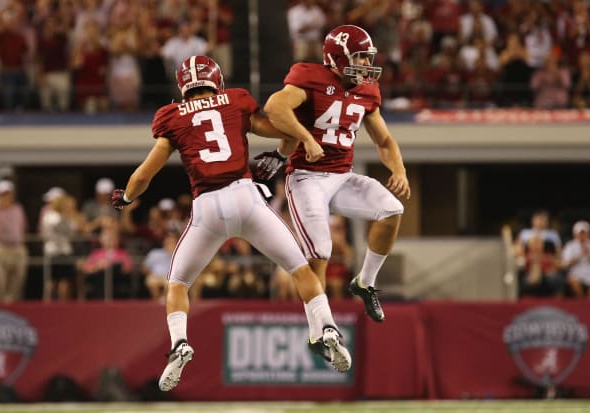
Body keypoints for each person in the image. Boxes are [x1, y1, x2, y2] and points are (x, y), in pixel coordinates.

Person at [110, 55, 351, 392]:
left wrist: (125, 197)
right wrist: (294, 140)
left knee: (178, 283)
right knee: (300, 269)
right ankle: (326, 327)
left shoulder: (173, 116)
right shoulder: (235, 100)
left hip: (207, 208)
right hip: (247, 198)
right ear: (216, 80)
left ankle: (180, 343)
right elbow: (282, 130)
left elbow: (145, 174)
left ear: (184, 86)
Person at [254, 25, 410, 327]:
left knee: (392, 210)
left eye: (368, 58)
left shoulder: (367, 90)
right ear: (338, 57)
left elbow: (384, 141)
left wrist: (399, 170)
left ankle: (364, 283)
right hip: (305, 177)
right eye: (361, 57)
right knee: (321, 250)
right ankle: (320, 329)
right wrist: (306, 138)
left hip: (341, 176)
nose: (366, 64)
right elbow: (275, 106)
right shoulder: (309, 76)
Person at [561, 220, 590, 299]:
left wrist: (588, 255)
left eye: (584, 233)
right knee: (575, 283)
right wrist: (580, 256)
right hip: (575, 273)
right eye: (580, 233)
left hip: (589, 273)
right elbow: (565, 264)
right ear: (575, 234)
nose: (582, 235)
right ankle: (581, 305)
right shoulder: (570, 246)